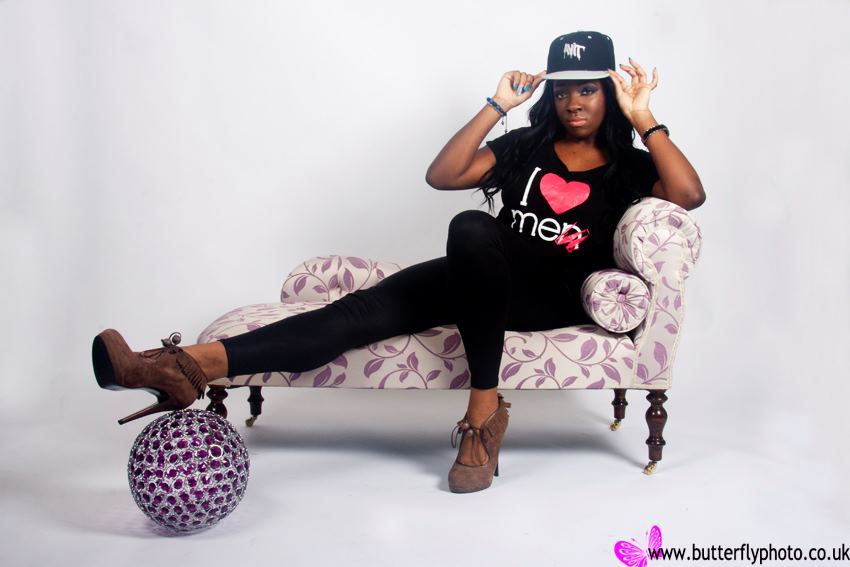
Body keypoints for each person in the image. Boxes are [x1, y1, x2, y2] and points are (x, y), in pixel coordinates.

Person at [91, 31, 705, 494]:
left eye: (588, 89)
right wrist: (496, 105)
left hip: (549, 295)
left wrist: (644, 118)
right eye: (564, 89)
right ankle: (183, 367)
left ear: (608, 93)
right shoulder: (528, 144)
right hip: (480, 275)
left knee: (471, 225)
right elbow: (444, 175)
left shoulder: (632, 165)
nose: (574, 101)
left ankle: (483, 413)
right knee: (352, 314)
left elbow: (689, 195)